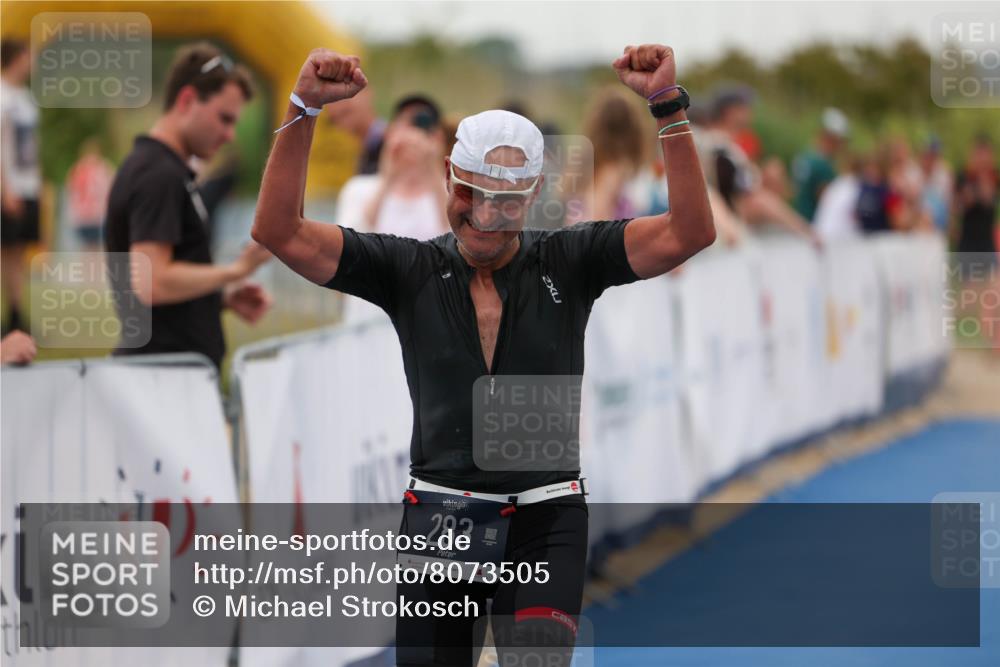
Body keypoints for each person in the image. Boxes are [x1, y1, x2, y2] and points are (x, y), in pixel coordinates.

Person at [252, 44, 714, 666]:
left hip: (545, 516)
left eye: (507, 202)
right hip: (442, 515)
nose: (486, 216)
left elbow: (690, 231)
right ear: (448, 174)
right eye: (472, 194)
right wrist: (303, 108)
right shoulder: (408, 269)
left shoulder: (570, 260)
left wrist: (667, 107)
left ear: (534, 193)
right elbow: (278, 230)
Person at [104, 43, 272, 371]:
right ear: (187, 100)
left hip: (173, 373)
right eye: (224, 119)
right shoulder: (157, 173)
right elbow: (152, 283)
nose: (230, 135)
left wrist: (217, 298)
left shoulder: (166, 170)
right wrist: (236, 271)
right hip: (163, 377)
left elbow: (161, 292)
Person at [1, 39, 41, 336]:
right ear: (16, 58)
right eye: (28, 57)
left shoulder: (26, 97)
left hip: (28, 185)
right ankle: (11, 315)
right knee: (6, 251)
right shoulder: (2, 95)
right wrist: (6, 189)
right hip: (10, 187)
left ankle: (16, 314)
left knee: (19, 252)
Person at [791, 107, 849, 222]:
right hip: (810, 222)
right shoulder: (823, 166)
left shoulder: (804, 156)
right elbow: (828, 202)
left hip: (796, 216)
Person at [66, 138, 115, 251]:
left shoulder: (77, 169)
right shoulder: (103, 168)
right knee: (95, 248)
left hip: (85, 217)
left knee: (89, 248)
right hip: (95, 216)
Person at [326, 86, 387, 175]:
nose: (338, 105)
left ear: (367, 92)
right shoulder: (358, 156)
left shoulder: (393, 142)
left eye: (345, 96)